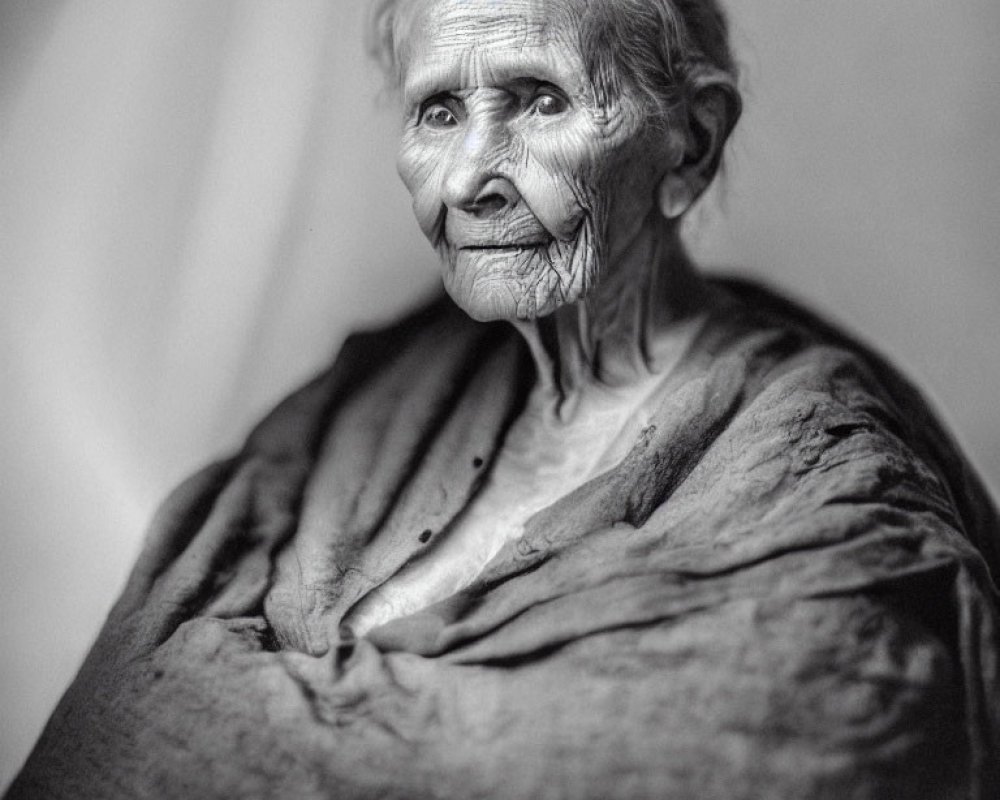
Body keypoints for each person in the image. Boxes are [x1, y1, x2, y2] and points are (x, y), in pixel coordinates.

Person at [8, 0, 999, 797]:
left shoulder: (832, 480)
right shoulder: (384, 386)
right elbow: (116, 716)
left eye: (536, 99)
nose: (472, 174)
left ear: (688, 145)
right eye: (439, 110)